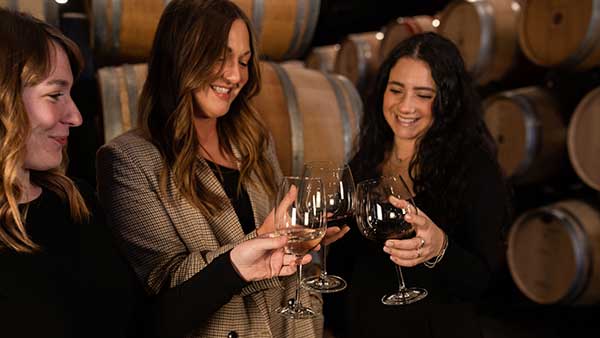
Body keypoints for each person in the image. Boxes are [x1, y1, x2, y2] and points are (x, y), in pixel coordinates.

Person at [96, 1, 345, 337]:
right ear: (180, 55)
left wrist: (303, 238)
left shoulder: (253, 142)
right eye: (220, 57)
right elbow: (163, 283)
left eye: (243, 61)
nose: (236, 75)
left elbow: (282, 252)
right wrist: (259, 241)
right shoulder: (129, 159)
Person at [324, 32, 512, 338]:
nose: (405, 106)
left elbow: (488, 282)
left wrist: (441, 249)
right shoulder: (363, 163)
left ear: (447, 100)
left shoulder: (475, 169)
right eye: (396, 90)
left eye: (424, 95)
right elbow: (342, 265)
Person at [0, 9, 135, 338]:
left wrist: (234, 266)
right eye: (55, 94)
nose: (75, 116)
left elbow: (141, 323)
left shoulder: (75, 200)